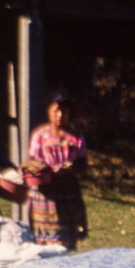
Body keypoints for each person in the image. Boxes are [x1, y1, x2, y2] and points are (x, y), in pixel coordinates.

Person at [25, 93, 88, 250]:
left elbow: (83, 166)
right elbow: (33, 162)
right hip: (45, 194)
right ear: (48, 111)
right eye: (56, 111)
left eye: (64, 112)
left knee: (65, 242)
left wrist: (68, 170)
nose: (60, 115)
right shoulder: (39, 135)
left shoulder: (76, 137)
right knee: (45, 244)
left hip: (68, 193)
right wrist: (44, 169)